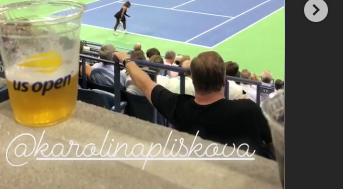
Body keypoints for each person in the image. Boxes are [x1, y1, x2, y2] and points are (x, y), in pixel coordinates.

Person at [113, 49, 274, 159]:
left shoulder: (178, 107)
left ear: (193, 81)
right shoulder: (249, 110)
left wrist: (126, 60)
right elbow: (273, 143)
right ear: (223, 82)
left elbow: (146, 84)